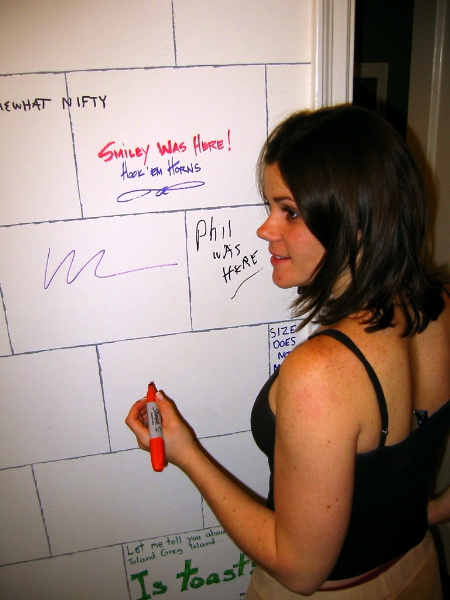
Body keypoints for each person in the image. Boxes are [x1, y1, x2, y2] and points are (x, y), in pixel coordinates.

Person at [126, 104, 450, 599]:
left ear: (356, 219)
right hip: (419, 570)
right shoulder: (442, 306)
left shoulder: (319, 372)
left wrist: (186, 452)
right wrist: (428, 511)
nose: (266, 229)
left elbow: (300, 572)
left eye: (290, 212)